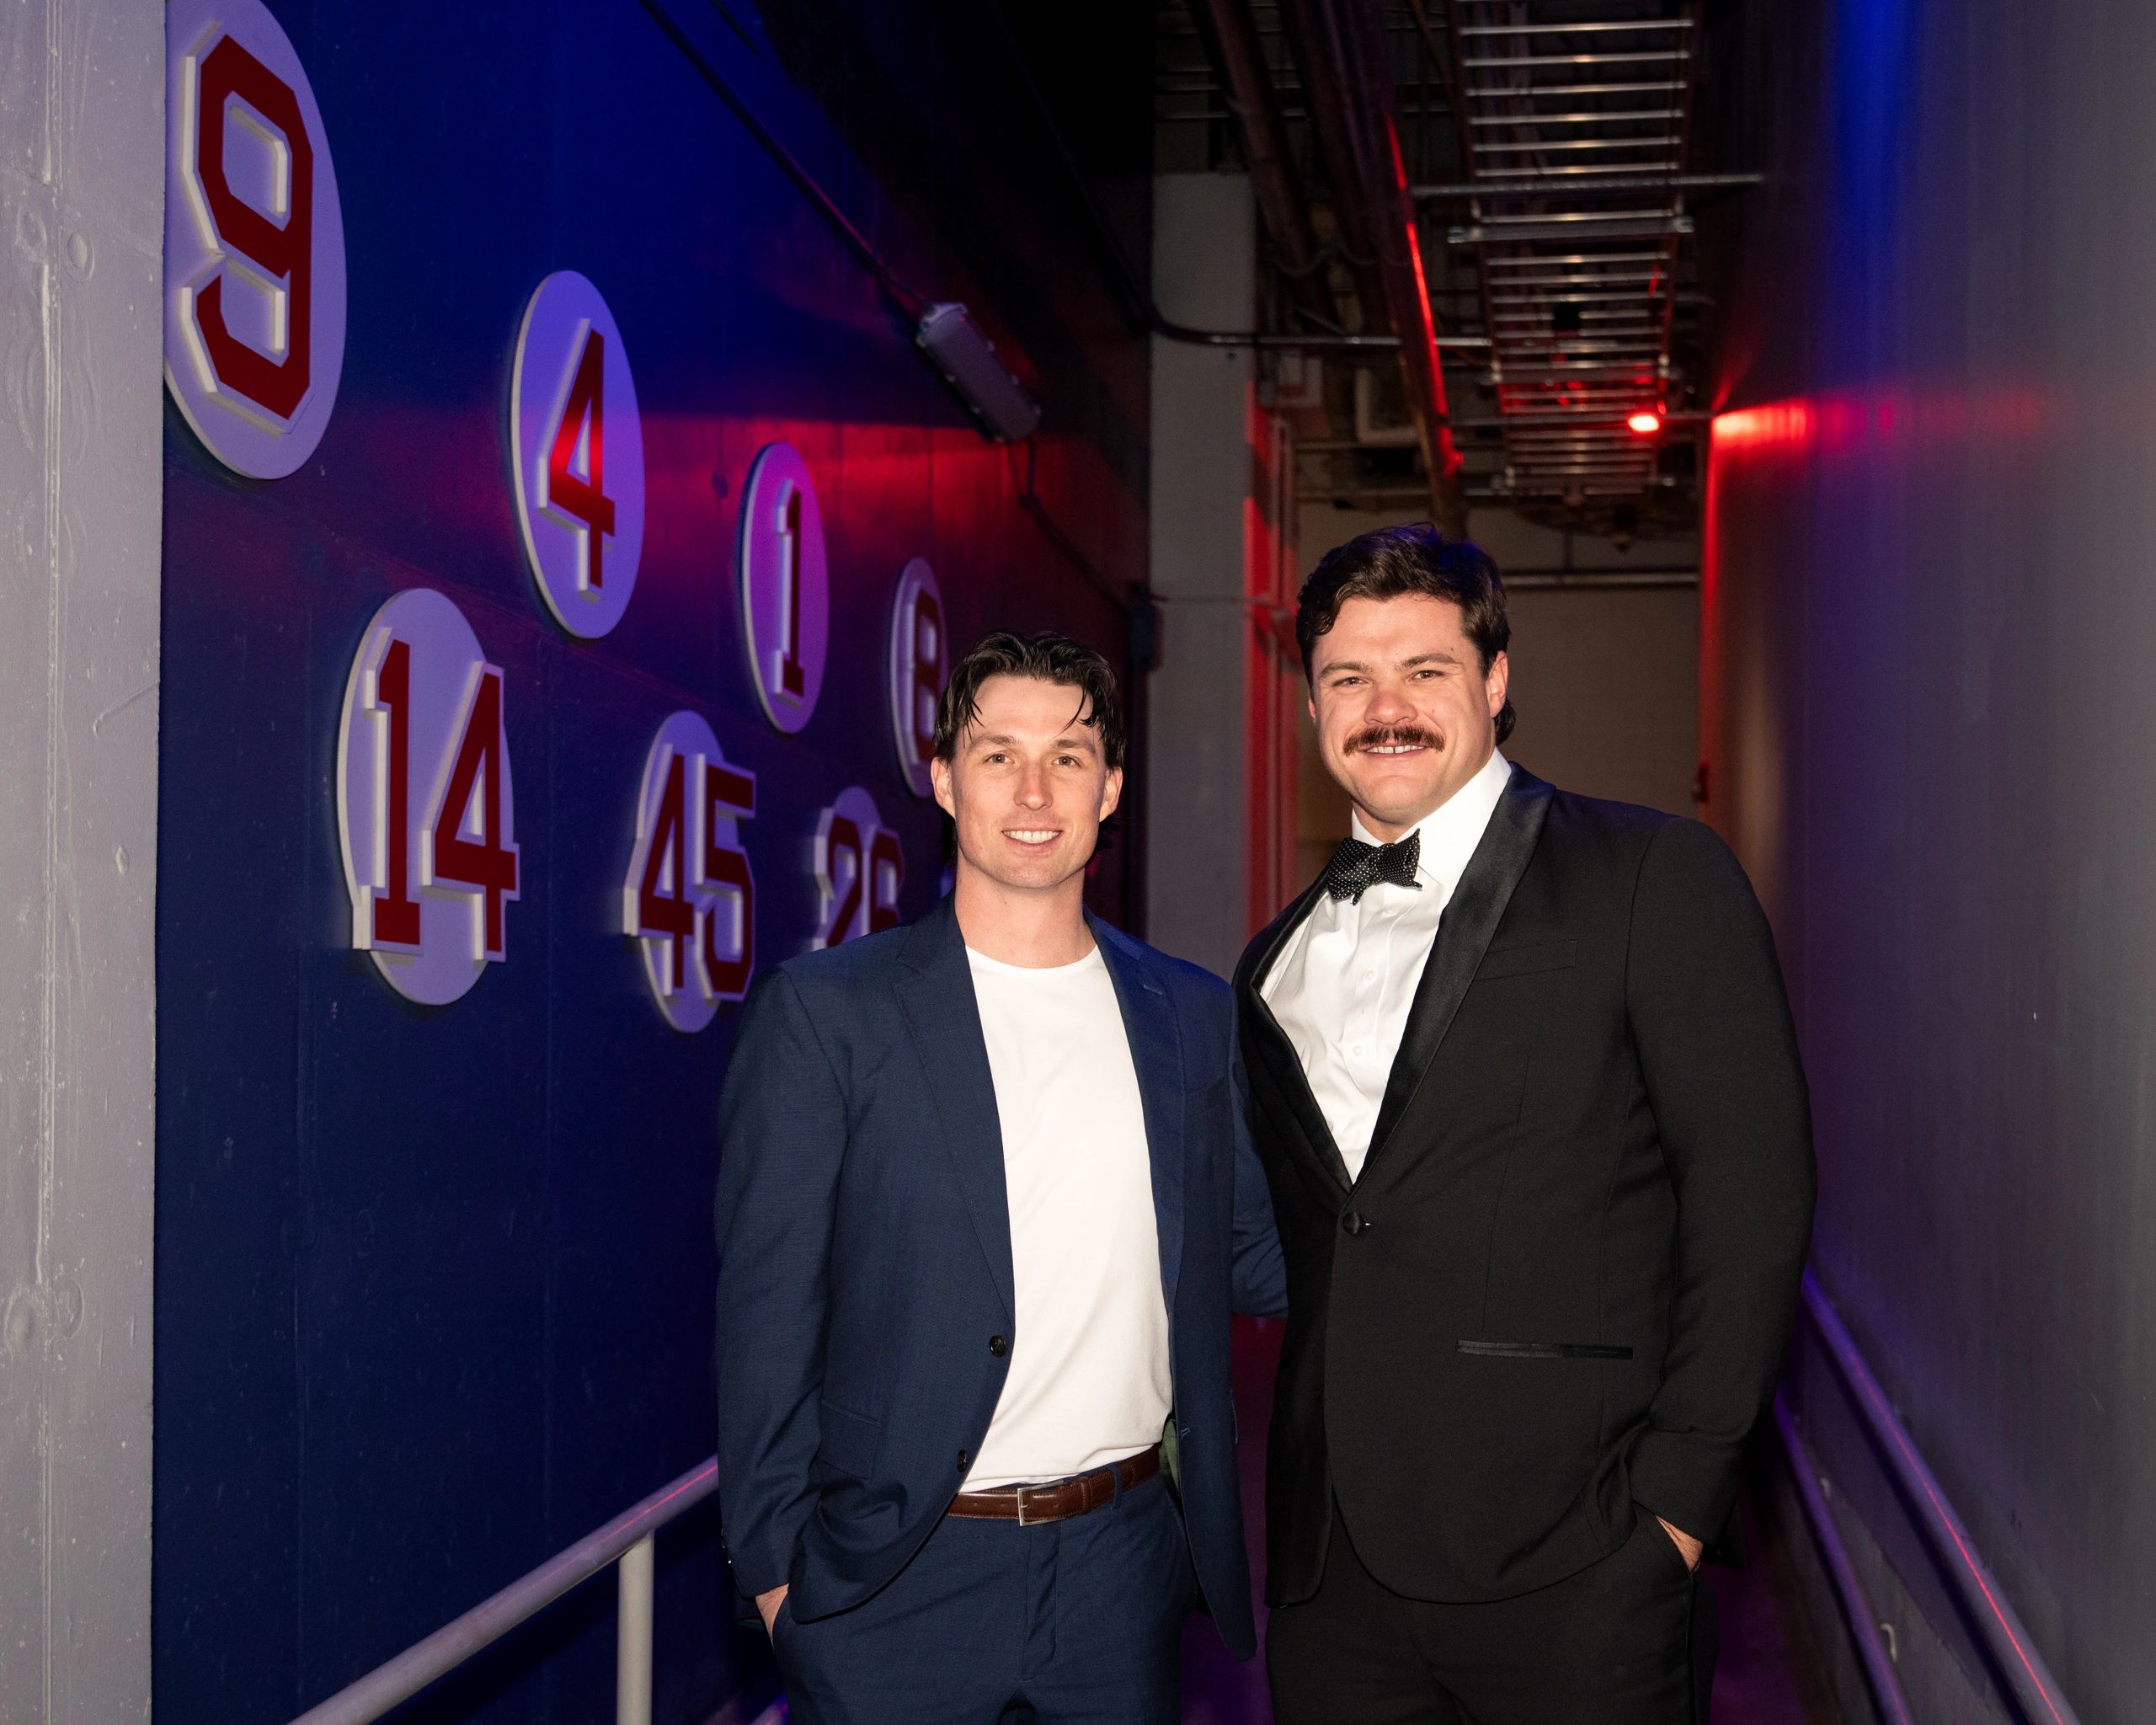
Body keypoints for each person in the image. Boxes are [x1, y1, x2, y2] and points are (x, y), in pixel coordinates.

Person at [1236, 524, 1815, 1723]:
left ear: (1496, 683)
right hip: (1328, 1577)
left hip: (1578, 1562)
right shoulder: (1271, 963)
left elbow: (1752, 1201)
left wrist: (1676, 1513)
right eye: (1349, 678)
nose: (1383, 708)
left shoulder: (1654, 876)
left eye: (1426, 671)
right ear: (1310, 704)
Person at [714, 630, 1287, 1725]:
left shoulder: (1190, 1015)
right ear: (942, 779)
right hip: (896, 1581)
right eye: (996, 754)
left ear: (1111, 788)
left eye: (1069, 757)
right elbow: (765, 1319)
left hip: (1120, 1575)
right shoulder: (832, 1014)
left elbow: (1251, 1253)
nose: (1035, 789)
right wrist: (782, 1585)